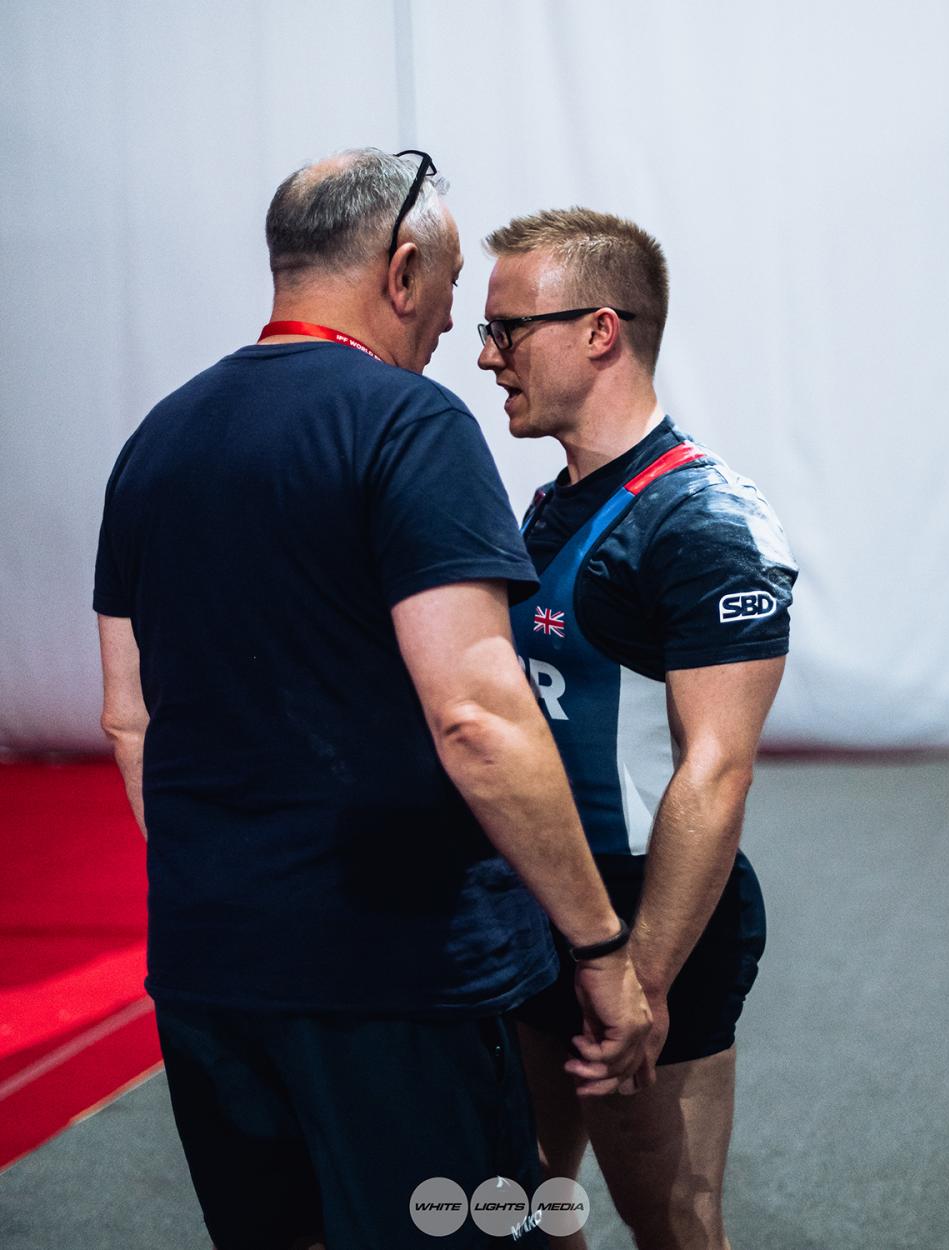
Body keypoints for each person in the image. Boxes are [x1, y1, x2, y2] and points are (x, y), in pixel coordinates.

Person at [94, 153, 652, 1250]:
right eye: (448, 291)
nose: (458, 329)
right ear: (402, 270)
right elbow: (477, 715)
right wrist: (597, 946)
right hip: (391, 977)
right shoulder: (407, 424)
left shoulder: (154, 441)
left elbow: (128, 717)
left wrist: (233, 877)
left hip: (209, 966)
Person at [477, 208, 798, 1250]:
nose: (486, 356)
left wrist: (641, 977)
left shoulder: (701, 522)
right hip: (541, 902)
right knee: (524, 1195)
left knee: (669, 1216)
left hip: (648, 918)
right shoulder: (551, 502)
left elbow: (716, 771)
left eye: (509, 329)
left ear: (599, 331)